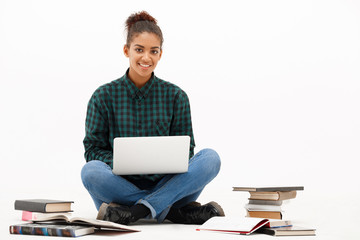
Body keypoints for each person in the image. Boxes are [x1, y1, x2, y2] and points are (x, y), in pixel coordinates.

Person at [81, 11, 224, 225]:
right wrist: (122, 163)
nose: (146, 58)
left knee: (211, 158)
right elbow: (92, 150)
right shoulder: (103, 96)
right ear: (126, 50)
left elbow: (187, 151)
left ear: (160, 54)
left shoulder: (176, 96)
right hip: (119, 186)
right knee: (90, 172)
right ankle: (172, 212)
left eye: (153, 51)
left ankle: (137, 211)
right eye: (139, 50)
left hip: (169, 185)